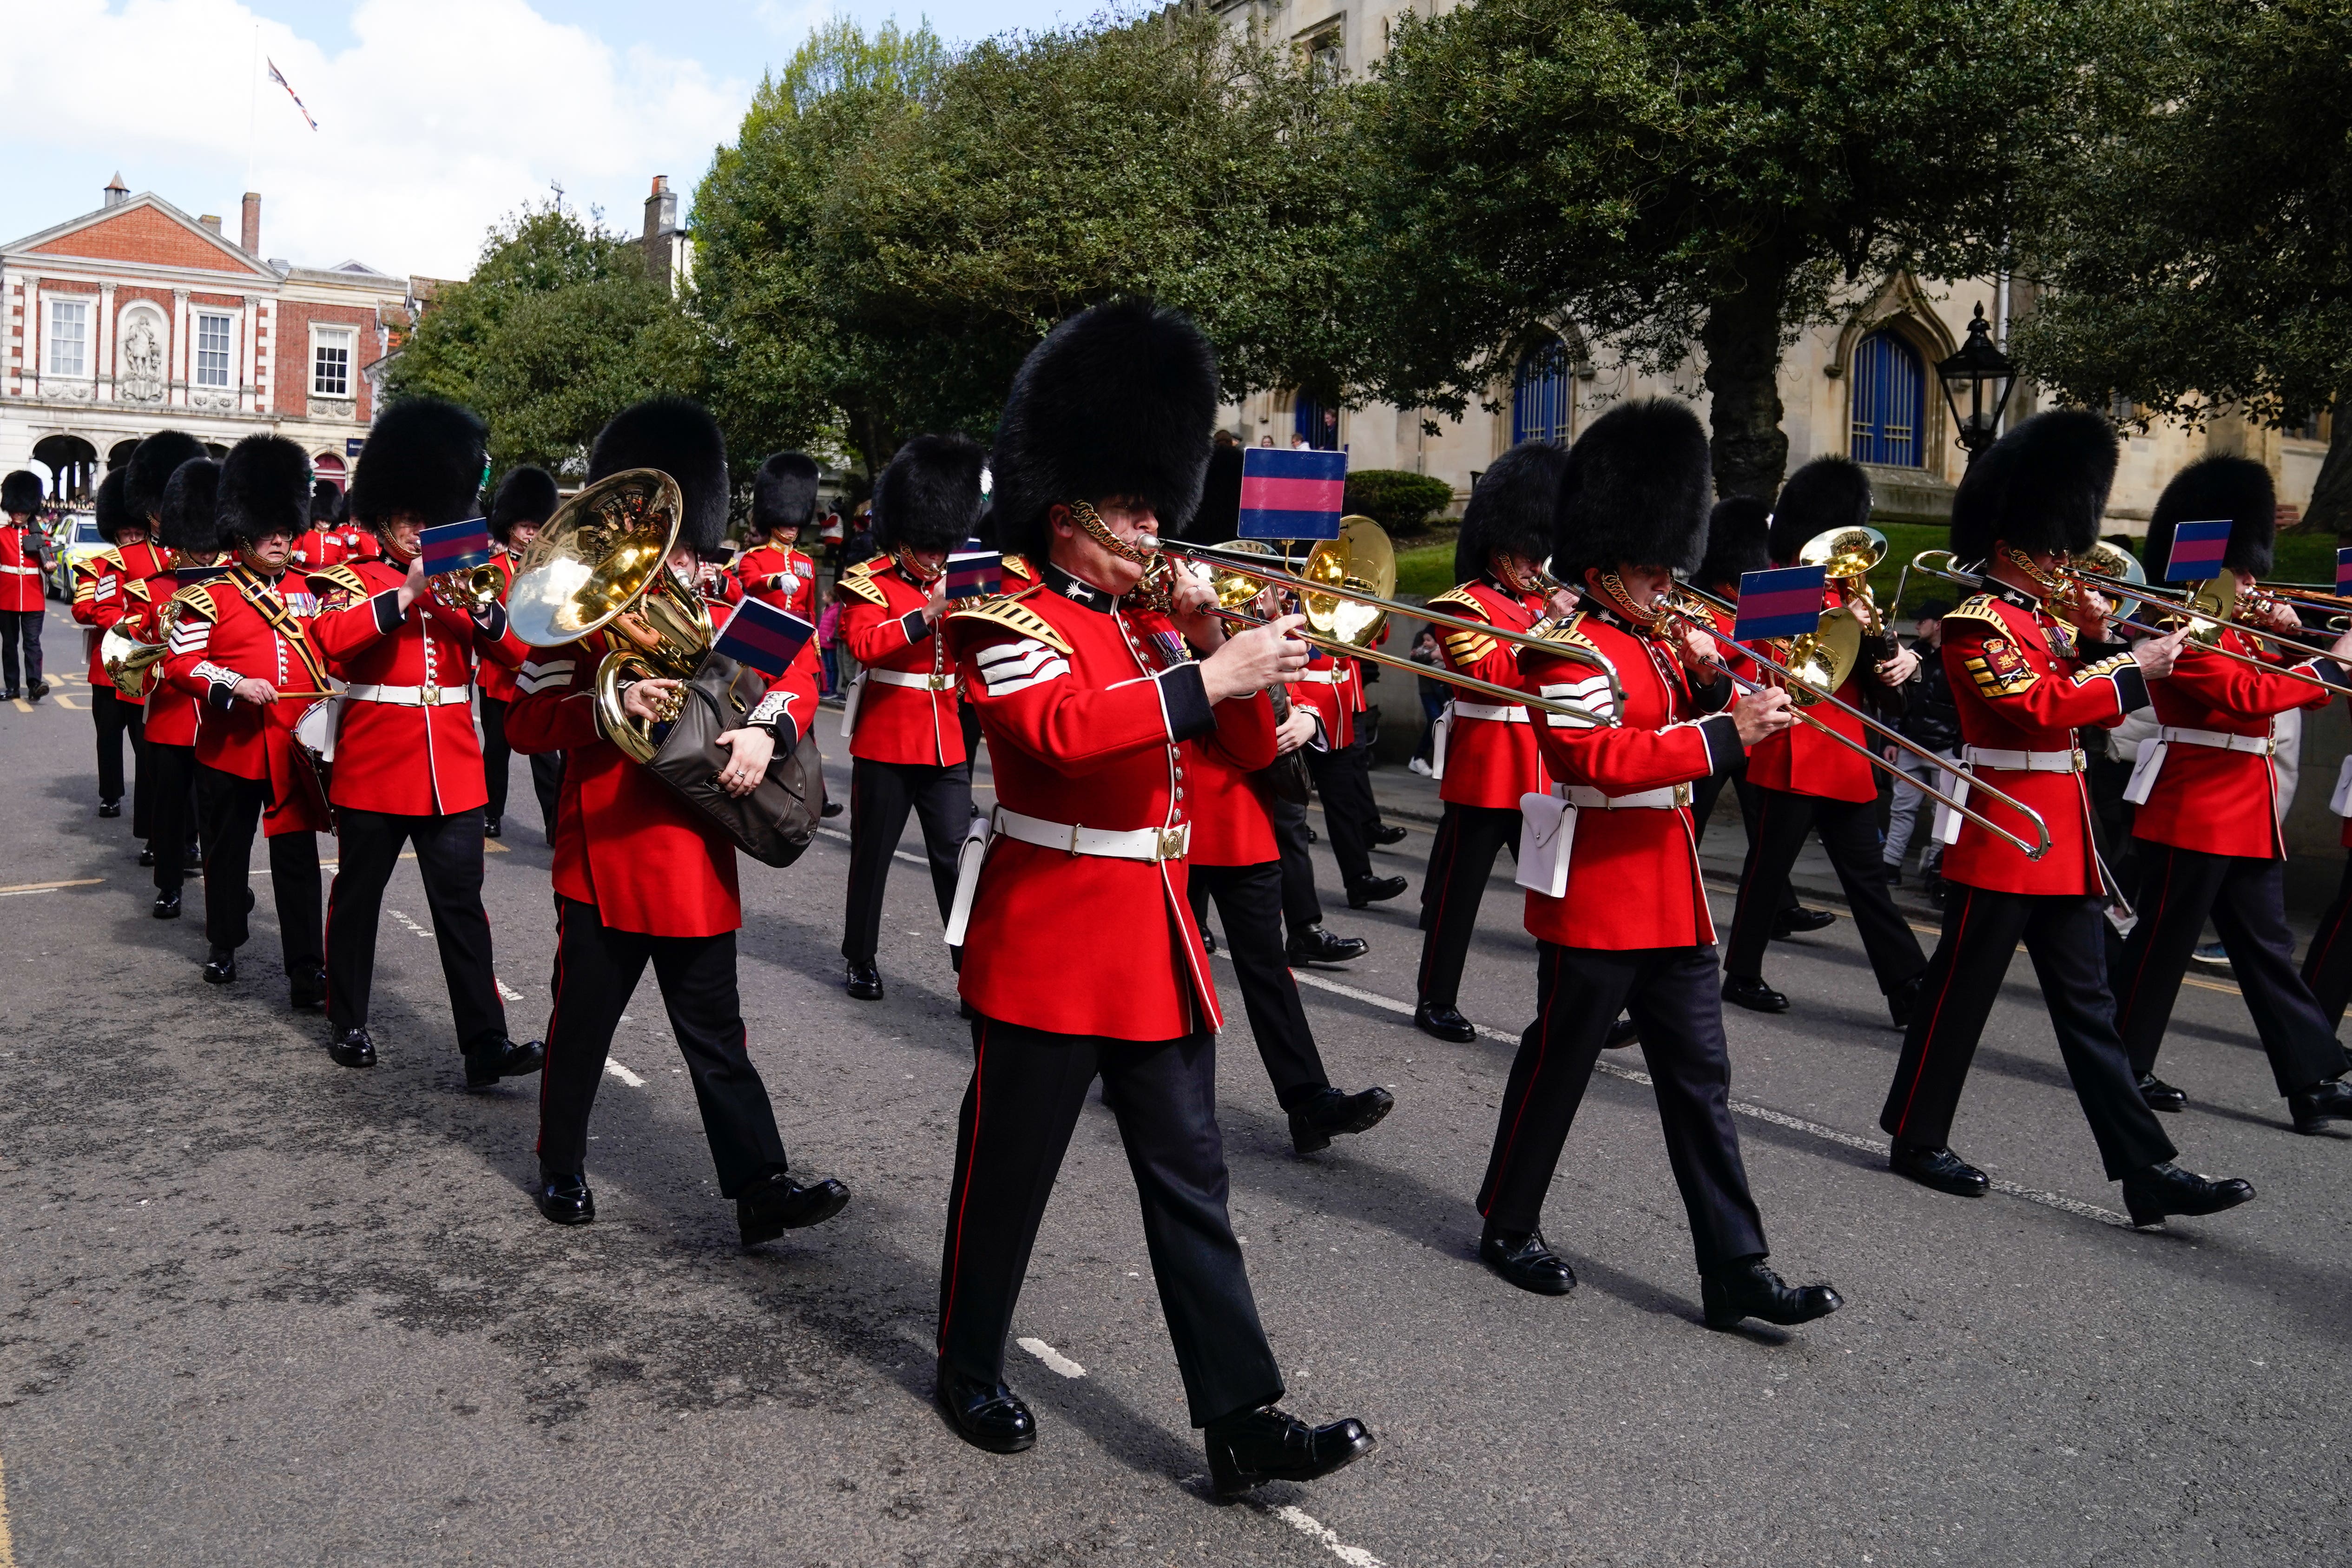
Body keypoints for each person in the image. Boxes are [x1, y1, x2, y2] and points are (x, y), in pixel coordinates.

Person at [934, 300, 1373, 1497]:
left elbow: (1235, 758)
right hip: (1052, 933)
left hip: (1154, 940)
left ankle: (1242, 1417)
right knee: (1007, 1172)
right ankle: (968, 1361)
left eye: (1152, 503)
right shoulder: (1002, 614)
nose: (1152, 525)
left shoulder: (1145, 629)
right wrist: (1206, 674)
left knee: (1193, 1183)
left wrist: (1209, 639)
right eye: (1133, 507)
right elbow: (1059, 735)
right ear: (1066, 505)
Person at [1470, 396, 1841, 1331]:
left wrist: (1733, 673)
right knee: (1560, 1061)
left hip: (1670, 892)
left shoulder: (1656, 640)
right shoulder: (1567, 651)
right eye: (1649, 568)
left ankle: (1735, 1265)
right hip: (1600, 888)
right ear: (1604, 568)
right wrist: (1721, 726)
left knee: (1699, 1082)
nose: (1666, 580)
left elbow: (1694, 709)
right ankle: (1507, 1222)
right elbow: (1593, 759)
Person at [1878, 410, 2255, 1227]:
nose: (2066, 561)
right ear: (2015, 543)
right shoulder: (1981, 622)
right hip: (2006, 834)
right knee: (1959, 995)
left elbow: (2080, 705)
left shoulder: (2048, 622)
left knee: (2088, 1011)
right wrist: (2129, 661)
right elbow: (2037, 708)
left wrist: (2098, 637)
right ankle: (1916, 1133)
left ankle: (2146, 1167)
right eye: (2054, 547)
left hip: (2060, 839)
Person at [506, 395, 849, 1245]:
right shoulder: (577, 620)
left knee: (716, 1033)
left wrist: (767, 731)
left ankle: (760, 1183)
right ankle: (561, 1160)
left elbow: (799, 670)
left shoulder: (728, 598)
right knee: (582, 1021)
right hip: (608, 849)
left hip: (696, 847)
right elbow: (523, 723)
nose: (681, 555)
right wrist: (610, 697)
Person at [2108, 457, 2352, 1130]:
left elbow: (2265, 678)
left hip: (2244, 809)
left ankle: (2311, 1080)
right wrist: (2326, 663)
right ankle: (2122, 1067)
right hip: (2195, 805)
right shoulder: (2176, 623)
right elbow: (2245, 697)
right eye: (2242, 569)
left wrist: (2287, 632)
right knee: (2160, 946)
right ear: (2211, 560)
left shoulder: (2230, 618)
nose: (2253, 581)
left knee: (2267, 950)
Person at [310, 399, 540, 1086]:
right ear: (384, 520)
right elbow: (332, 643)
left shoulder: (461, 583)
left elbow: (519, 656)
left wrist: (476, 607)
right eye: (409, 519)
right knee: (359, 899)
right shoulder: (353, 579)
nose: (418, 530)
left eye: (427, 517)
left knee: (462, 909)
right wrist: (406, 597)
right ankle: (347, 1019)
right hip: (377, 767)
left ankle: (485, 1043)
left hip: (454, 771)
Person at [1184, 578, 1397, 1154]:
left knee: (1268, 968)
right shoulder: (1143, 622)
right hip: (1168, 817)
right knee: (1172, 962)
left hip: (1241, 816)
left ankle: (1309, 1100)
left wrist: (1306, 714)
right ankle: (1149, 1083)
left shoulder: (1236, 612)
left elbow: (1314, 673)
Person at [1719, 457, 1927, 1026]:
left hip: (1846, 750)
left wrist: (1899, 657)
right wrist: (1838, 617)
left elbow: (1866, 674)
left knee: (1867, 879)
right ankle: (1741, 973)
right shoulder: (1776, 580)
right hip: (1793, 747)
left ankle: (1908, 984)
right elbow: (1756, 660)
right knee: (1767, 873)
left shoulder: (1853, 584)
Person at [158, 436, 329, 1007]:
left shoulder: (311, 591)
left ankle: (307, 967)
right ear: (240, 532)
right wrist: (233, 683)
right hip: (229, 749)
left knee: (299, 863)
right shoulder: (210, 594)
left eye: (286, 528)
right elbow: (181, 662)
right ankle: (224, 943)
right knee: (227, 856)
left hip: (291, 750)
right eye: (268, 529)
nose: (280, 538)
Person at [1413, 442, 1563, 1042]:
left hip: (1544, 771)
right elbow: (1494, 680)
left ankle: (1566, 1007)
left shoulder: (1542, 607)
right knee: (1458, 903)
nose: (1534, 563)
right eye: (1523, 552)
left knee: (1558, 900)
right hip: (1487, 772)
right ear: (1496, 548)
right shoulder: (1462, 605)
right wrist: (1551, 626)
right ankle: (1435, 998)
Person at [836, 435, 984, 1001]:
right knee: (871, 857)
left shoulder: (963, 571)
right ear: (904, 537)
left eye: (945, 544)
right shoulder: (867, 580)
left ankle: (969, 972)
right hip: (887, 740)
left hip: (947, 740)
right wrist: (929, 611)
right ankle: (860, 957)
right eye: (929, 546)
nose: (938, 556)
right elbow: (868, 646)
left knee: (954, 857)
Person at [478, 465, 563, 841]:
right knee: (496, 753)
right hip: (500, 675)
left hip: (540, 673)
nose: (531, 532)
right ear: (509, 527)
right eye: (525, 525)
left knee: (546, 756)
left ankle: (554, 823)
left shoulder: (552, 571)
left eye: (536, 525)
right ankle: (491, 814)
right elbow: (486, 625)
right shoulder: (492, 570)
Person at [71, 471, 149, 820]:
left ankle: (151, 801)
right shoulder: (97, 566)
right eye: (126, 533)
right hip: (107, 667)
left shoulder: (161, 564)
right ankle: (111, 794)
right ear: (115, 534)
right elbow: (82, 608)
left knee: (146, 742)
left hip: (147, 669)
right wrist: (119, 618)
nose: (132, 539)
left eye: (137, 532)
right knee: (108, 738)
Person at [1880, 605, 1957, 899]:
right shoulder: (1915, 653)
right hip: (1912, 742)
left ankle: (1936, 869)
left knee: (1945, 813)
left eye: (1922, 620)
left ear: (1938, 624)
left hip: (1947, 747)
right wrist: (1893, 738)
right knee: (1902, 807)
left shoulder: (1956, 655)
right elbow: (1902, 697)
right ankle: (1890, 864)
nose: (1917, 625)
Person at [0, 469, 47, 700]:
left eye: (23, 510)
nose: (19, 514)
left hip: (33, 596)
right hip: (6, 596)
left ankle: (35, 684)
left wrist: (50, 565)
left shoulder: (40, 535)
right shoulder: (1, 535)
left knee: (32, 644)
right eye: (16, 510)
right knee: (9, 645)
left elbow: (49, 561)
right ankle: (12, 687)